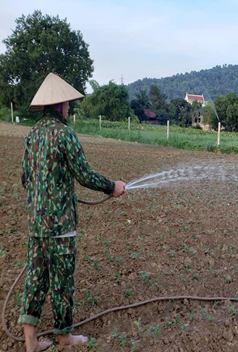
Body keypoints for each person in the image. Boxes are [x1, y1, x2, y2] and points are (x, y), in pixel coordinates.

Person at [18, 73, 126, 352]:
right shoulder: (65, 134)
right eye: (68, 104)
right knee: (62, 281)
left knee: (35, 278)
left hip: (36, 225)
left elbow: (24, 178)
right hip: (61, 225)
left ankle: (31, 343)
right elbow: (84, 174)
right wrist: (111, 186)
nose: (69, 108)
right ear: (61, 104)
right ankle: (65, 337)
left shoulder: (32, 136)